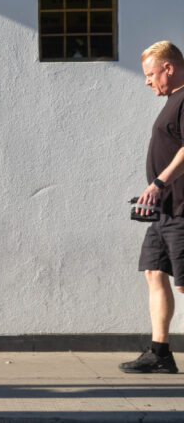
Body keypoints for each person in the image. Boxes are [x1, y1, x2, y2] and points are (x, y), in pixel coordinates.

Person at [120, 41, 184, 374]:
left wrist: (158, 183)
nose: (147, 81)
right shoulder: (173, 101)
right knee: (154, 272)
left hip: (182, 209)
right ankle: (160, 353)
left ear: (168, 68)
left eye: (150, 74)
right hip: (165, 210)